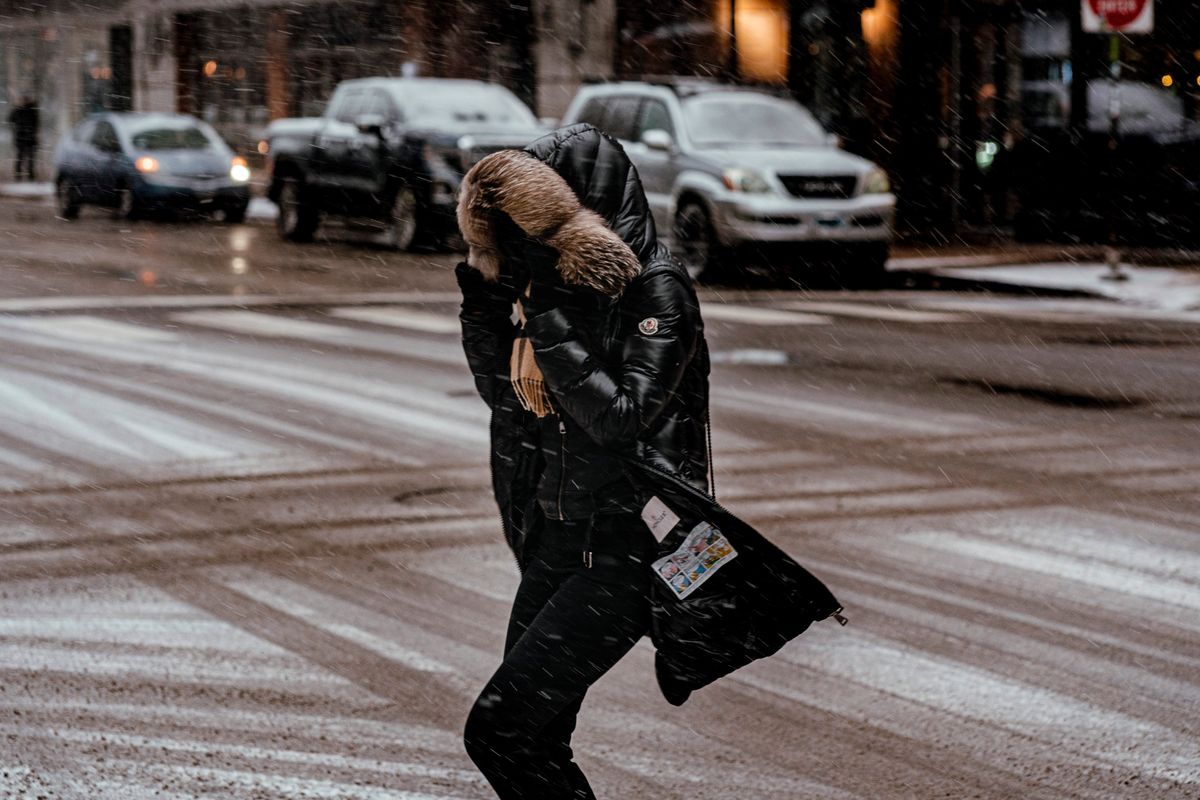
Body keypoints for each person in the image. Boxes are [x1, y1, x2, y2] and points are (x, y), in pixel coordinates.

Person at [455, 123, 711, 799]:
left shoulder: (656, 292)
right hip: (558, 547)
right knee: (530, 738)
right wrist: (485, 300)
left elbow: (622, 418)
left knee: (499, 730)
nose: (523, 247)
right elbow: (502, 400)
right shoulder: (544, 295)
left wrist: (547, 331)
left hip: (623, 552)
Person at [8, 96, 39, 182]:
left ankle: (25, 177)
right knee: (25, 159)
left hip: (25, 139)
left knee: (25, 159)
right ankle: (24, 177)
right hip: (25, 139)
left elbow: (11, 120)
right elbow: (11, 119)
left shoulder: (27, 111)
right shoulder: (30, 111)